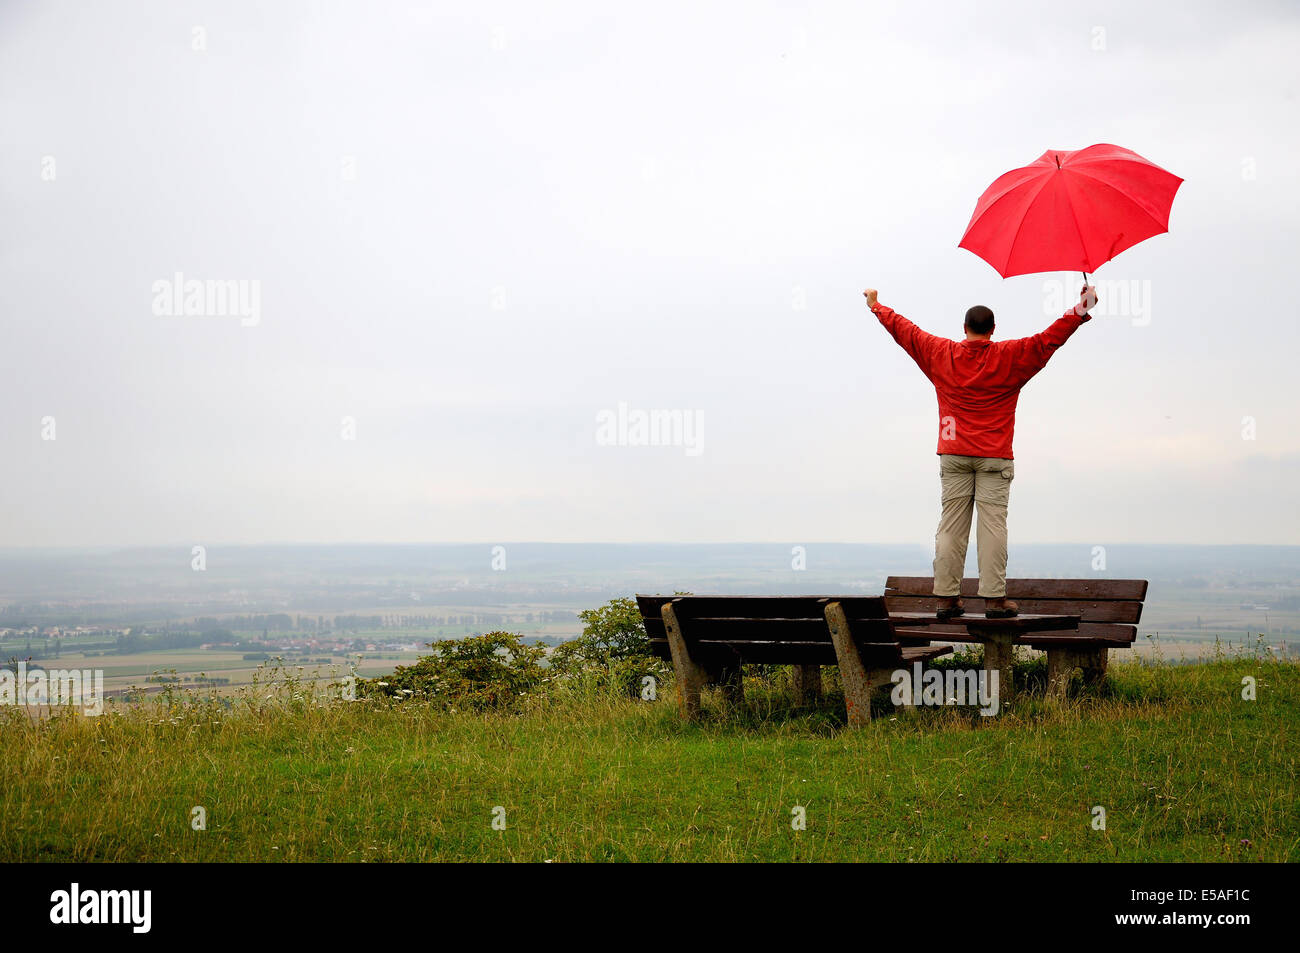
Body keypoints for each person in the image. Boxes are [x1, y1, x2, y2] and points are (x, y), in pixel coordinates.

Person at [863, 284, 1097, 619]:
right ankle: (994, 600)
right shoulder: (1011, 356)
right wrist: (1080, 308)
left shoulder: (939, 353)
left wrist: (876, 306)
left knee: (950, 526)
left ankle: (945, 598)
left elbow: (906, 332)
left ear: (964, 329)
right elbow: (1049, 339)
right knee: (993, 527)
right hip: (994, 456)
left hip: (954, 453)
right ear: (993, 330)